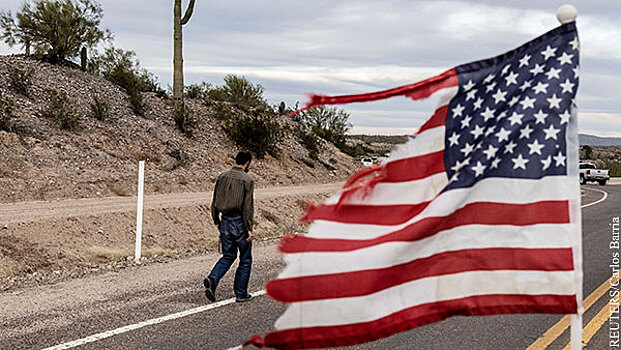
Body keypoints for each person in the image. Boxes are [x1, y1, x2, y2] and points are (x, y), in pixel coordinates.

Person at [205, 151, 255, 303]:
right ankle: (241, 293)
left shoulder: (222, 176)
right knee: (245, 259)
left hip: (224, 221)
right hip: (239, 222)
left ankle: (213, 278)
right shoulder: (247, 180)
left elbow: (214, 202)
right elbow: (247, 207)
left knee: (228, 255)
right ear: (247, 163)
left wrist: (217, 221)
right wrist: (249, 227)